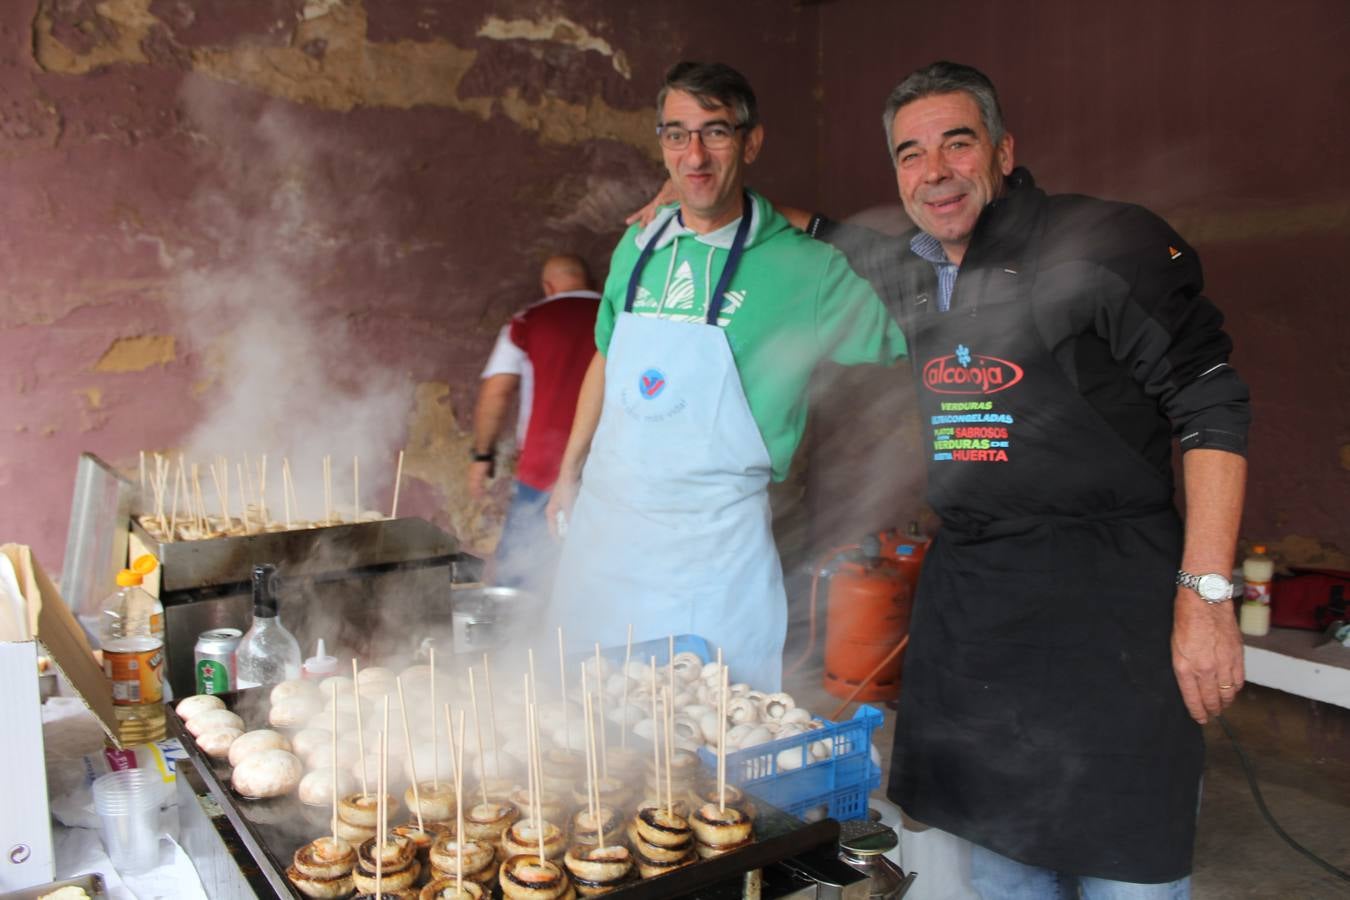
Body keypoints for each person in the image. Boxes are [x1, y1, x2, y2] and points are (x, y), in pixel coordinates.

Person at [807, 62, 1250, 898]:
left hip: (1109, 618)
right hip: (982, 623)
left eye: (956, 143)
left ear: (1004, 152)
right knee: (1006, 875)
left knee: (1131, 874)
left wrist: (1207, 594)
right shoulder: (914, 269)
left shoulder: (1101, 244)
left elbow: (1211, 399)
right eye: (910, 153)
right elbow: (833, 232)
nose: (933, 170)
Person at [544, 61, 908, 689]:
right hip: (609, 535)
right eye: (677, 135)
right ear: (660, 143)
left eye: (716, 133)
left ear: (751, 142)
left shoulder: (807, 268)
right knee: (581, 728)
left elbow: (920, 298)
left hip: (713, 555)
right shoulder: (638, 245)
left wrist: (809, 222)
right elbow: (609, 354)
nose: (695, 155)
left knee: (707, 742)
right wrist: (568, 472)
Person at [470, 254, 601, 595]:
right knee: (601, 582)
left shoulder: (526, 322)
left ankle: (517, 646)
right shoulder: (617, 317)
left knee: (519, 581)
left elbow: (496, 393)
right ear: (593, 284)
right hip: (609, 467)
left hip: (543, 472)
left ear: (547, 287)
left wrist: (481, 456)